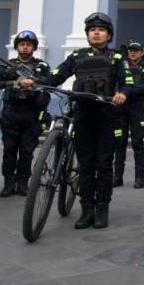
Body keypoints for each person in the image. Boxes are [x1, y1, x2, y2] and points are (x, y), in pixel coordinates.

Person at [33, 12, 130, 229]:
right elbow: (56, 75)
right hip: (83, 115)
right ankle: (87, 209)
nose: (96, 33)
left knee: (104, 166)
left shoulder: (117, 58)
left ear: (109, 35)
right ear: (87, 34)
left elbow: (127, 83)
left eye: (101, 30)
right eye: (92, 30)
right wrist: (37, 82)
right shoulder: (77, 57)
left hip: (107, 117)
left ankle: (102, 209)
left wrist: (122, 93)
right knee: (86, 165)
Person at [0, 30, 51, 197]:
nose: (25, 47)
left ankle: (23, 183)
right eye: (22, 44)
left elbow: (49, 82)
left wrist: (33, 81)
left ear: (33, 47)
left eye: (28, 45)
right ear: (17, 47)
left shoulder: (41, 66)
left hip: (31, 113)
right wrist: (12, 80)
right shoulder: (8, 65)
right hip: (11, 112)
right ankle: (8, 183)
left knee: (26, 151)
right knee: (9, 151)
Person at [114, 40, 144, 189]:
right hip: (120, 109)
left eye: (136, 50)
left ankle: (139, 178)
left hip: (138, 109)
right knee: (119, 144)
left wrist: (127, 93)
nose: (133, 52)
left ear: (142, 52)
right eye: (131, 50)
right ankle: (117, 177)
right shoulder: (121, 66)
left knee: (137, 143)